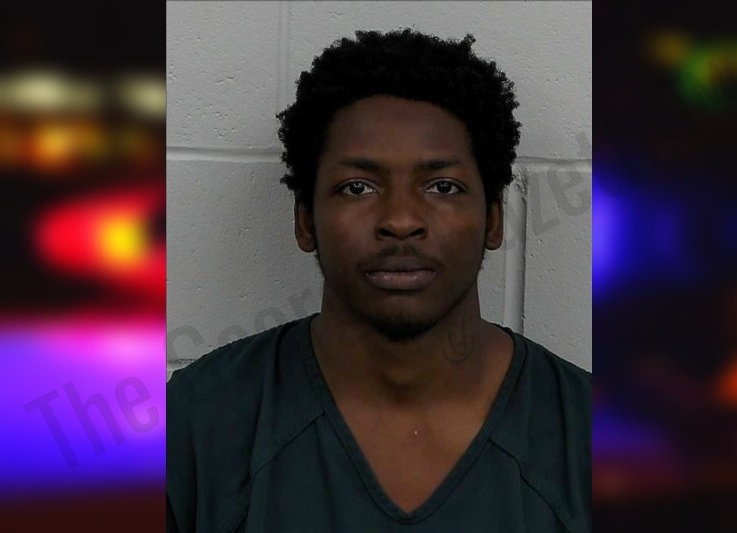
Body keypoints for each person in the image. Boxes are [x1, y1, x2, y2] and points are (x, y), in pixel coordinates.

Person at [167, 29, 590, 532]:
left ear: (493, 219)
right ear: (305, 220)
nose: (401, 220)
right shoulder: (197, 424)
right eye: (358, 187)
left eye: (442, 186)